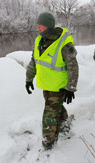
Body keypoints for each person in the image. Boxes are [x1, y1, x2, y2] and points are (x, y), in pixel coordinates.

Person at [25, 12, 79, 150]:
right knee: (57, 108)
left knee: (49, 115)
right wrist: (29, 79)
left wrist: (71, 87)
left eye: (40, 24)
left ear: (48, 25)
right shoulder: (39, 40)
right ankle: (65, 127)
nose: (38, 27)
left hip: (59, 87)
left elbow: (73, 66)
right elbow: (34, 61)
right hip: (46, 85)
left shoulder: (63, 43)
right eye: (37, 24)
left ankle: (48, 144)